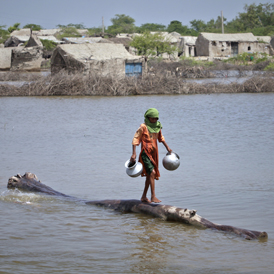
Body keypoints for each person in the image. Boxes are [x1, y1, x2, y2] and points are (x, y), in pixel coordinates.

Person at [130, 108, 172, 203]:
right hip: (146, 152)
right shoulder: (143, 127)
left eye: (155, 119)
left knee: (150, 175)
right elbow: (136, 139)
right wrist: (134, 153)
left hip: (154, 153)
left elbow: (161, 138)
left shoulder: (157, 126)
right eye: (152, 119)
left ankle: (144, 197)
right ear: (148, 118)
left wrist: (168, 148)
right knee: (152, 173)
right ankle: (153, 196)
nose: (154, 120)